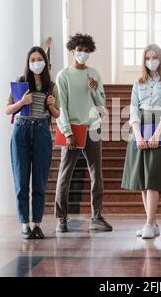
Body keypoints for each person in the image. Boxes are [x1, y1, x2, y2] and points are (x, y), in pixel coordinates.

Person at [54, 33, 112, 233]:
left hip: (92, 128)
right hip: (73, 129)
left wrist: (95, 90)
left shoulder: (94, 74)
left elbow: (101, 102)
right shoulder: (63, 75)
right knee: (65, 174)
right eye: (80, 50)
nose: (83, 54)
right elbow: (61, 107)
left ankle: (96, 217)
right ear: (72, 51)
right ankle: (61, 218)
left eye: (87, 51)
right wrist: (68, 133)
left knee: (97, 174)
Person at [121, 44, 161, 239]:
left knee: (153, 176)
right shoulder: (138, 82)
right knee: (143, 179)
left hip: (159, 125)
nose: (151, 60)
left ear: (160, 58)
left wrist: (157, 135)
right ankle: (151, 223)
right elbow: (133, 108)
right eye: (148, 57)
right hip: (140, 126)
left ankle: (148, 223)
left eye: (155, 57)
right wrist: (137, 134)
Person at [6, 46, 60, 239]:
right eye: (32, 60)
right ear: (28, 63)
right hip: (21, 130)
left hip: (42, 131)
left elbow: (57, 114)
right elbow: (7, 110)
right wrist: (21, 102)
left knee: (39, 181)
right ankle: (24, 224)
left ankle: (37, 223)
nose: (36, 63)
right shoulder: (21, 82)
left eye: (39, 59)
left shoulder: (50, 85)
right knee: (21, 181)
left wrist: (52, 106)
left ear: (44, 62)